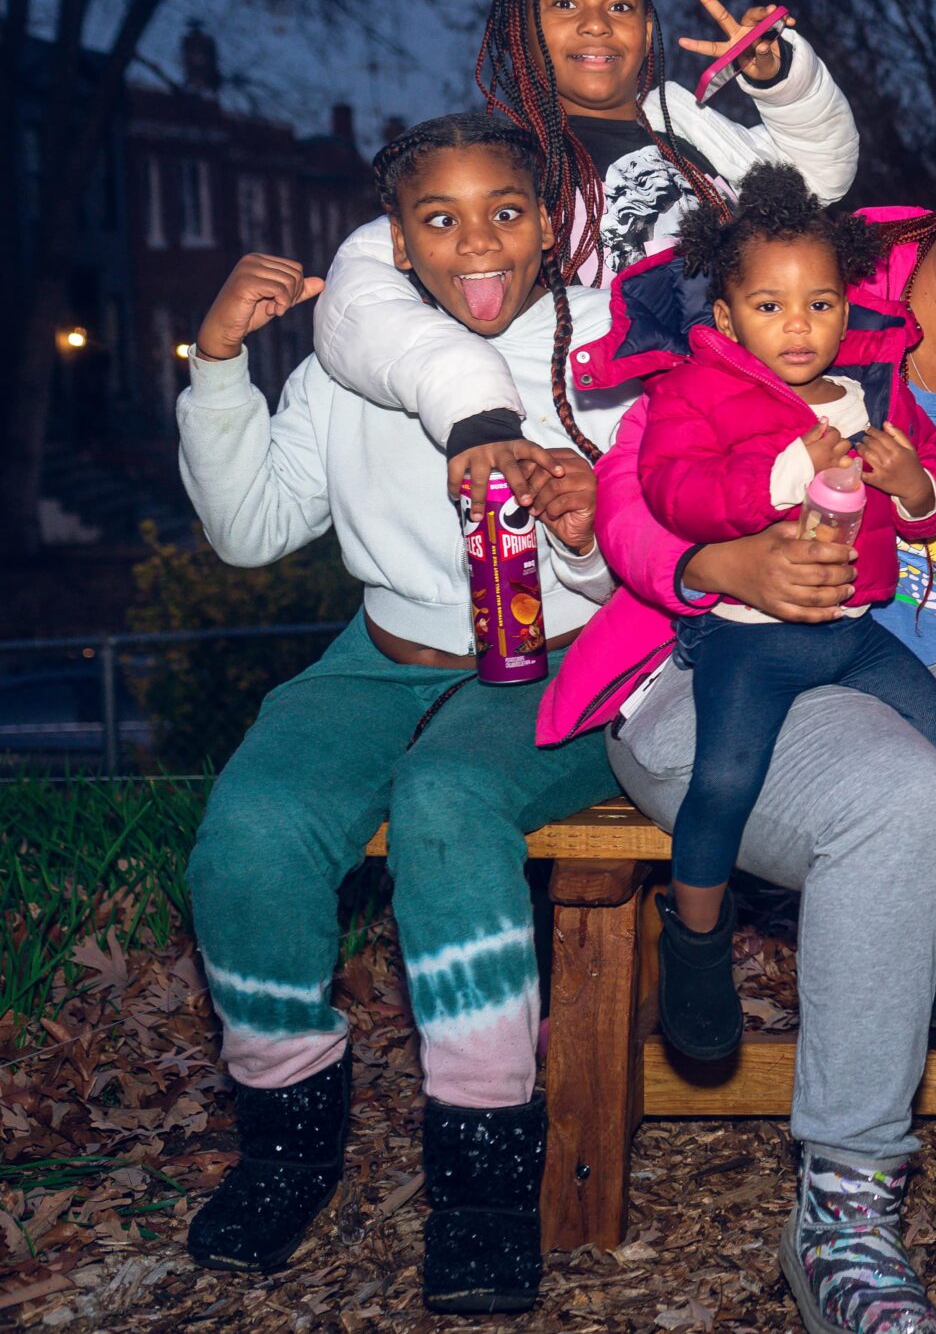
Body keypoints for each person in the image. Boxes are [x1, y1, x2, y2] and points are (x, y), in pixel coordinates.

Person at [539, 137, 936, 1332]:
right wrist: (716, 562)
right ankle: (847, 1200)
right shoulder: (800, 286)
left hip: (930, 670)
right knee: (894, 792)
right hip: (713, 661)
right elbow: (634, 482)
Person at [180, 116, 623, 1314]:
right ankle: (286, 1144)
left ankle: (482, 1182)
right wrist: (218, 363)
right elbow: (249, 531)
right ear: (398, 241)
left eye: (506, 212)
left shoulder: (606, 353)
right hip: (380, 655)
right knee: (254, 827)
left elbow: (655, 568)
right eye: (440, 218)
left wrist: (585, 530)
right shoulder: (352, 357)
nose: (476, 242)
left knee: (448, 803)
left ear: (549, 226)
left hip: (567, 661)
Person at [311, 0, 860, 504]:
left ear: (645, 31)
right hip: (621, 440)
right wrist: (471, 402)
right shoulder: (502, 163)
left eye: (619, 6)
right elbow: (371, 271)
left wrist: (781, 79)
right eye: (565, 4)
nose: (596, 24)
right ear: (523, 29)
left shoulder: (684, 123)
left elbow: (817, 177)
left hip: (758, 416)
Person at [614, 165, 936, 1060]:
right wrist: (781, 474)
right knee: (725, 781)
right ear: (727, 315)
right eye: (769, 306)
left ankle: (913, 928)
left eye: (820, 303)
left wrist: (914, 482)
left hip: (852, 629)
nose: (799, 325)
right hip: (748, 637)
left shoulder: (876, 390)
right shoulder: (693, 390)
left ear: (846, 310)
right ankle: (696, 944)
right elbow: (673, 488)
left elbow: (933, 488)